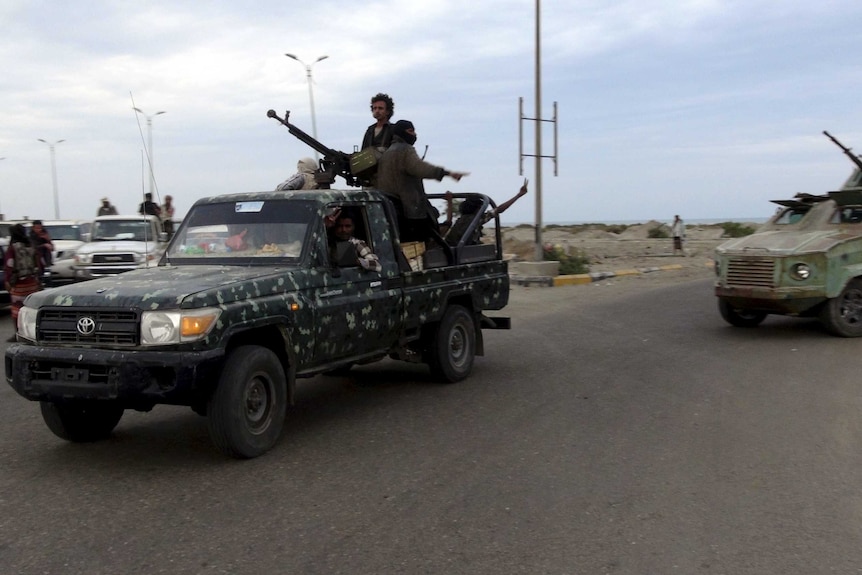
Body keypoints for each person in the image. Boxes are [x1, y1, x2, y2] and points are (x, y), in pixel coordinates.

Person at [375, 119, 468, 243]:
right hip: (408, 210)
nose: (414, 134)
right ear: (402, 132)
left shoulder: (386, 154)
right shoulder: (405, 150)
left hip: (391, 209)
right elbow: (419, 168)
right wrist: (446, 173)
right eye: (410, 131)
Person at [445, 179, 529, 246]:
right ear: (477, 209)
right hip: (464, 252)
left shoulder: (461, 219)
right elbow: (498, 210)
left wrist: (449, 202)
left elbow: (449, 221)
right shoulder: (476, 219)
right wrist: (518, 195)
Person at [5, 224, 42, 340]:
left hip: (18, 285)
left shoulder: (13, 248)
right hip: (32, 283)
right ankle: (33, 332)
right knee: (31, 308)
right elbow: (40, 263)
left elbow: (9, 265)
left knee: (17, 310)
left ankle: (18, 334)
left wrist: (8, 280)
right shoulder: (31, 245)